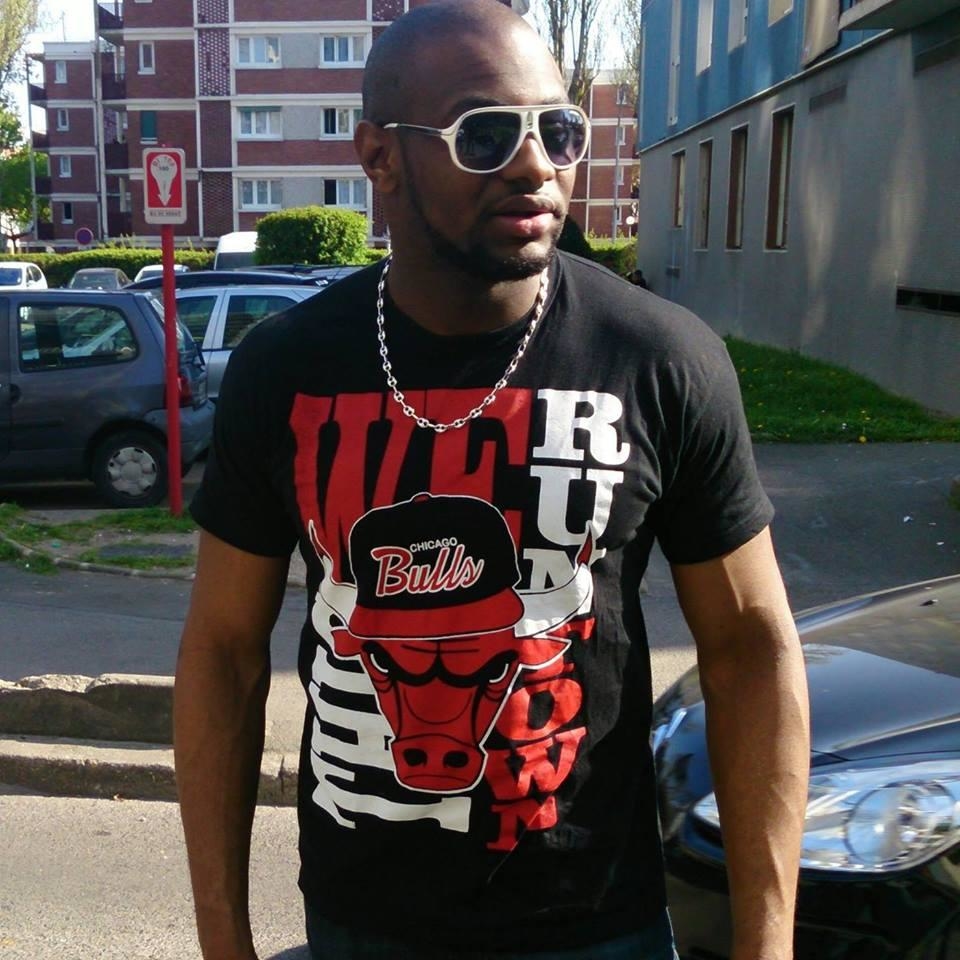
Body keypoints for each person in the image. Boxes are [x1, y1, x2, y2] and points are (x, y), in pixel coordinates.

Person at [174, 2, 810, 958]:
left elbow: (752, 647)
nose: (536, 165)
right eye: (484, 134)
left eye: (558, 130)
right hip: (362, 929)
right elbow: (224, 652)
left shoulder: (659, 359)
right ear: (380, 157)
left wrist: (769, 943)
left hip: (598, 929)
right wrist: (224, 938)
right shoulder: (287, 369)